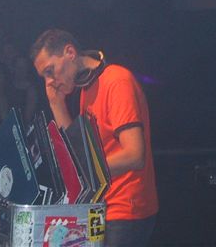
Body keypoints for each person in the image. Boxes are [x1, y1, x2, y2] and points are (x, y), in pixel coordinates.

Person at [31, 29, 158, 247]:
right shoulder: (86, 90)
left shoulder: (117, 81)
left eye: (50, 71)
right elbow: (80, 154)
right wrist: (56, 104)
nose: (50, 81)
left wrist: (84, 171)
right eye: (45, 77)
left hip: (126, 209)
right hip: (101, 206)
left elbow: (135, 155)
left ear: (70, 52)